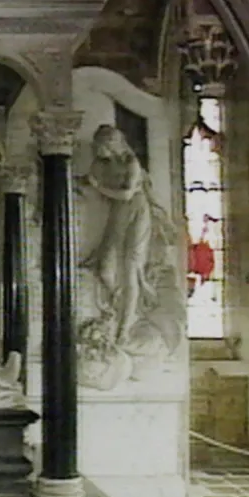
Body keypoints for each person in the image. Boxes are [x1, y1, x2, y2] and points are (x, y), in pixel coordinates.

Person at [81, 125, 153, 345]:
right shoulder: (101, 164)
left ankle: (124, 327)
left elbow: (127, 194)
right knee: (105, 267)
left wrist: (99, 187)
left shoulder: (131, 163)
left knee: (131, 266)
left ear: (111, 144)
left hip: (136, 211)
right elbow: (87, 180)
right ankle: (116, 302)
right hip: (118, 213)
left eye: (100, 146)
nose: (96, 150)